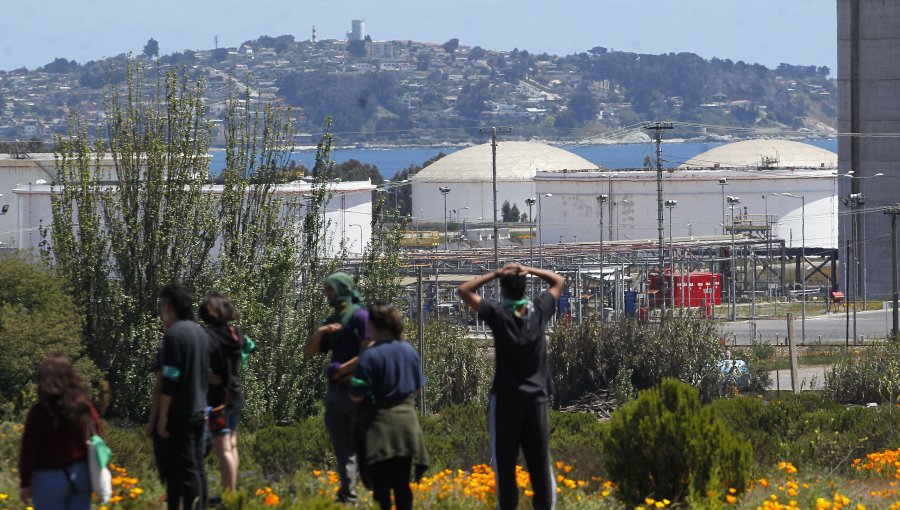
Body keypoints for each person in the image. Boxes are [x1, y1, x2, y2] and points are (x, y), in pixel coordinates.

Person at [457, 263, 565, 510]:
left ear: (502, 290)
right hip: (537, 399)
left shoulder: (498, 314)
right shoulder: (538, 312)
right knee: (539, 465)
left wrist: (496, 273)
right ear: (526, 287)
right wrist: (530, 269)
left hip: (506, 400)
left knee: (505, 467)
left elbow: (464, 290)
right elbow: (558, 281)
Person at [349, 303, 428, 510]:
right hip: (407, 426)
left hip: (379, 426)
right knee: (403, 484)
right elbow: (418, 388)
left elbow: (356, 395)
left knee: (381, 487)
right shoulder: (408, 350)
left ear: (374, 326)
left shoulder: (370, 355)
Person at [304, 272, 369, 503]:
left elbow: (368, 352)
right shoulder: (332, 321)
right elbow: (309, 352)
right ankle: (348, 493)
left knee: (364, 445)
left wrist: (342, 369)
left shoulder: (360, 317)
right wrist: (320, 333)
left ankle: (373, 490)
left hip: (359, 393)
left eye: (329, 289)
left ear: (341, 289)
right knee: (342, 447)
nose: (326, 294)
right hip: (336, 393)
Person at [19, 355, 102, 510]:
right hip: (79, 475)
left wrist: (25, 483)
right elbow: (96, 433)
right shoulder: (83, 406)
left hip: (48, 479)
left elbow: (28, 450)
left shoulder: (39, 411)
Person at [155, 282, 210, 510]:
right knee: (196, 467)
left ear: (168, 307)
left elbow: (171, 377)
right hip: (199, 409)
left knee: (183, 471)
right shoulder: (200, 333)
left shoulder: (174, 335)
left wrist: (163, 415)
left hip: (181, 412)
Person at [200, 292, 247, 494]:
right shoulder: (235, 333)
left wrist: (208, 375)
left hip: (219, 398)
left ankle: (228, 494)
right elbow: (245, 347)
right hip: (235, 393)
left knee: (222, 449)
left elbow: (203, 363)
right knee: (232, 445)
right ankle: (232, 490)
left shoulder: (209, 336)